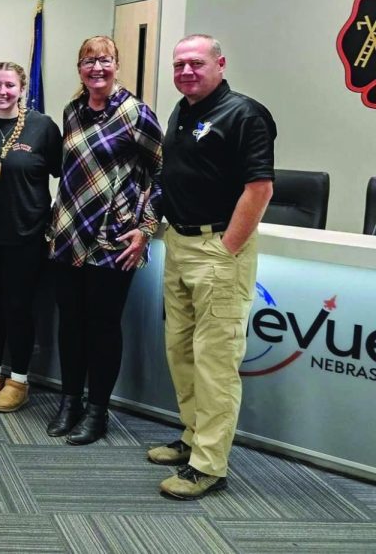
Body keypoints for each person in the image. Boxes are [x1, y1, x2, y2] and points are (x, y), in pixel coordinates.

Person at [148, 34, 275, 500]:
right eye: (179, 64)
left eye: (195, 63)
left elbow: (259, 189)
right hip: (179, 245)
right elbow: (172, 175)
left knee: (216, 363)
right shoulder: (182, 111)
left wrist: (227, 249)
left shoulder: (245, 115)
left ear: (220, 63)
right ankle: (191, 437)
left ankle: (209, 464)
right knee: (181, 352)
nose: (186, 72)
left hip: (218, 250)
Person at [46, 36, 163, 445]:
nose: (97, 68)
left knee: (102, 326)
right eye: (88, 61)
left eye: (105, 60)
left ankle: (98, 411)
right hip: (68, 234)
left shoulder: (137, 113)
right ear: (79, 68)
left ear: (117, 64)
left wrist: (146, 228)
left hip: (113, 239)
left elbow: (162, 174)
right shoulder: (73, 111)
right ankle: (70, 401)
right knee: (71, 325)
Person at [0, 62, 61, 413]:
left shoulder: (43, 128)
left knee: (19, 307)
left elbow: (63, 172)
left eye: (9, 85)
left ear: (22, 89)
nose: (2, 92)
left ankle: (18, 380)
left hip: (26, 235)